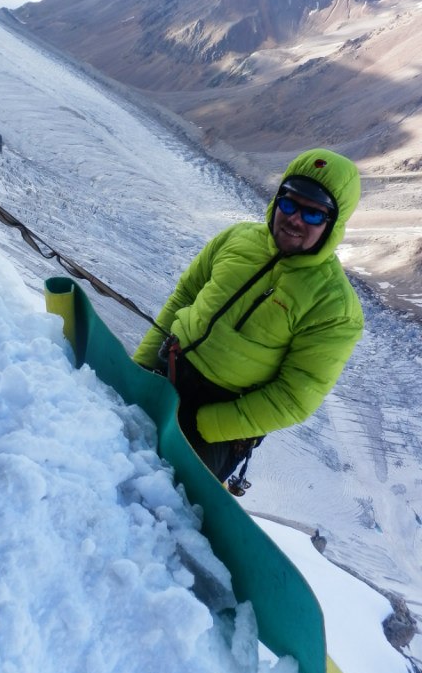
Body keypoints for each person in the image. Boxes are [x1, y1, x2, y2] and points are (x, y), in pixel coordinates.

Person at [133, 148, 364, 484]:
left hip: (221, 418)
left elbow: (294, 397)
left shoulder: (334, 307)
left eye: (314, 215)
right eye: (289, 203)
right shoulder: (236, 239)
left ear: (333, 223)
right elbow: (185, 295)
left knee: (164, 490)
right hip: (168, 367)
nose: (295, 219)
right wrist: (140, 367)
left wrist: (206, 424)